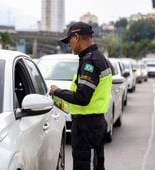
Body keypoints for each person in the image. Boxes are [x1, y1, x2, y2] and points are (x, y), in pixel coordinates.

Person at [49, 21, 112, 170]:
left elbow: (82, 97)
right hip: (94, 124)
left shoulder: (90, 61)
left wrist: (57, 91)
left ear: (76, 37)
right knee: (95, 164)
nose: (68, 45)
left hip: (87, 127)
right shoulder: (98, 58)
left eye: (69, 40)